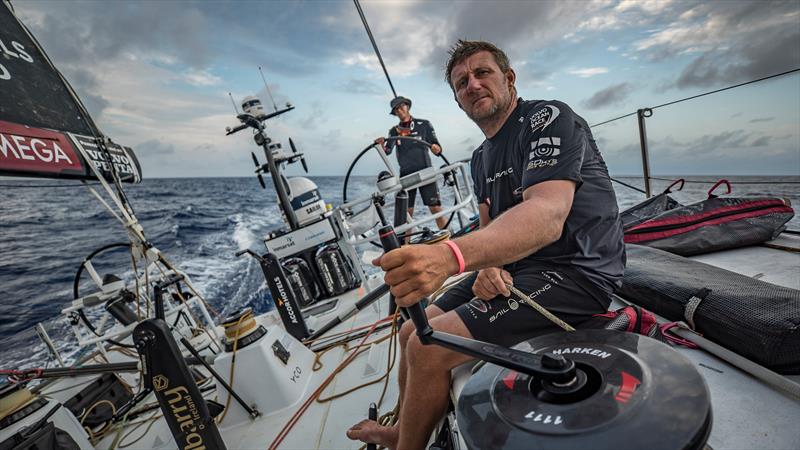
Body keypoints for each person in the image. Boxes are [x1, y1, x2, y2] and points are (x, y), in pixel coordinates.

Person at [347, 40, 625, 450]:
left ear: (509, 79)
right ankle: (404, 429)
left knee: (427, 347)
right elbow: (489, 223)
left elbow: (548, 214)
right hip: (519, 267)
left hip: (575, 271)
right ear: (458, 101)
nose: (473, 85)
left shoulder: (548, 118)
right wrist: (488, 265)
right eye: (462, 82)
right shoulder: (481, 157)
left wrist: (450, 256)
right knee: (410, 329)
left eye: (483, 73)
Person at [375, 96, 448, 230]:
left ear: (407, 106)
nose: (400, 110)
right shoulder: (393, 131)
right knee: (406, 214)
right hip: (406, 175)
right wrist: (380, 145)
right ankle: (407, 247)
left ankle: (450, 239)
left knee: (436, 208)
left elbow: (437, 148)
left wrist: (437, 148)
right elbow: (387, 150)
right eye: (396, 109)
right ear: (395, 113)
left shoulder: (424, 124)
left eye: (402, 106)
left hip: (425, 172)